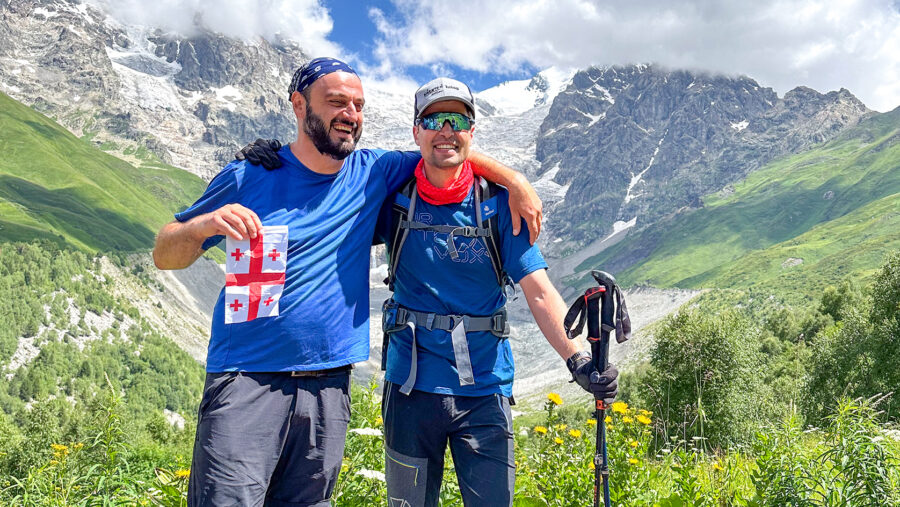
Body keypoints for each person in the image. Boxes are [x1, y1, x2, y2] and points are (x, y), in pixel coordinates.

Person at [152, 58, 542, 507]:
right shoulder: (249, 175)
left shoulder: (373, 171)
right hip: (246, 377)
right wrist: (203, 226)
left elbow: (445, 148)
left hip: (329, 385)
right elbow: (165, 254)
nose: (350, 114)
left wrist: (515, 180)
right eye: (336, 102)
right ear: (299, 105)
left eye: (358, 105)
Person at [375, 77, 619, 506]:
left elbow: (539, 292)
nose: (445, 130)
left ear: (472, 131)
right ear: (416, 131)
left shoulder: (501, 205)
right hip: (409, 386)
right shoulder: (394, 198)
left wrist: (577, 358)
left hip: (484, 390)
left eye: (457, 121)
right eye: (433, 119)